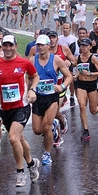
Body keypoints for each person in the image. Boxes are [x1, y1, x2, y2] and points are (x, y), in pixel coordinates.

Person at [0, 35, 40, 187]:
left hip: (21, 107)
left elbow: (35, 76)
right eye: (5, 45)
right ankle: (31, 164)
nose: (8, 48)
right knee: (20, 140)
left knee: (12, 138)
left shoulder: (23, 63)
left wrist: (32, 89)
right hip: (5, 108)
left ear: (16, 46)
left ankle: (20, 172)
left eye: (11, 45)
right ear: (1, 47)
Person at [29, 35, 72, 164]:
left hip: (52, 97)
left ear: (48, 45)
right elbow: (27, 77)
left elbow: (69, 76)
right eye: (38, 45)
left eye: (43, 45)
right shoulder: (32, 60)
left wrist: (62, 86)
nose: (40, 47)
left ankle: (47, 154)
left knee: (46, 126)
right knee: (37, 130)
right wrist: (28, 91)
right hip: (38, 97)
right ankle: (55, 124)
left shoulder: (56, 60)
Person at [74, 38, 98, 140]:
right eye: (82, 45)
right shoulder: (78, 58)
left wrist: (90, 73)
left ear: (90, 47)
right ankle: (86, 130)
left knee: (93, 110)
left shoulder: (93, 58)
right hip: (80, 84)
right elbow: (75, 66)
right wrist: (74, 73)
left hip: (91, 84)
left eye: (86, 46)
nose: (83, 48)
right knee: (82, 106)